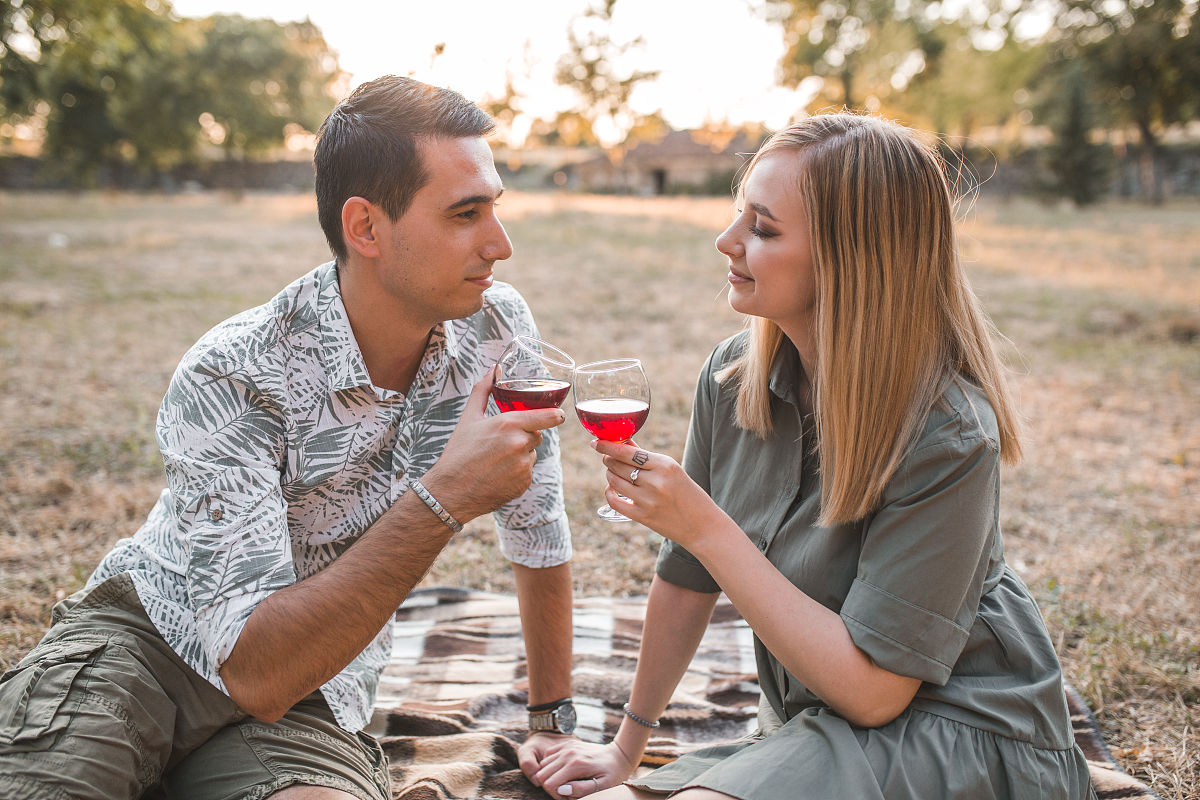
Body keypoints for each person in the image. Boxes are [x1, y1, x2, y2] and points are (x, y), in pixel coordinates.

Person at [0, 76, 578, 800]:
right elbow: (250, 665)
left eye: (494, 206)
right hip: (148, 649)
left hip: (312, 685)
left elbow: (538, 529)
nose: (501, 244)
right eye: (466, 213)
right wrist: (445, 498)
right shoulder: (235, 370)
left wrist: (553, 720)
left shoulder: (497, 329)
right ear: (365, 227)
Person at [520, 113, 1096, 799]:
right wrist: (624, 750)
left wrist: (704, 526)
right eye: (740, 215)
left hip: (962, 729)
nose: (725, 241)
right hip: (819, 720)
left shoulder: (947, 434)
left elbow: (876, 693)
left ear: (851, 259)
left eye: (763, 228)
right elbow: (687, 579)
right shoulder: (735, 377)